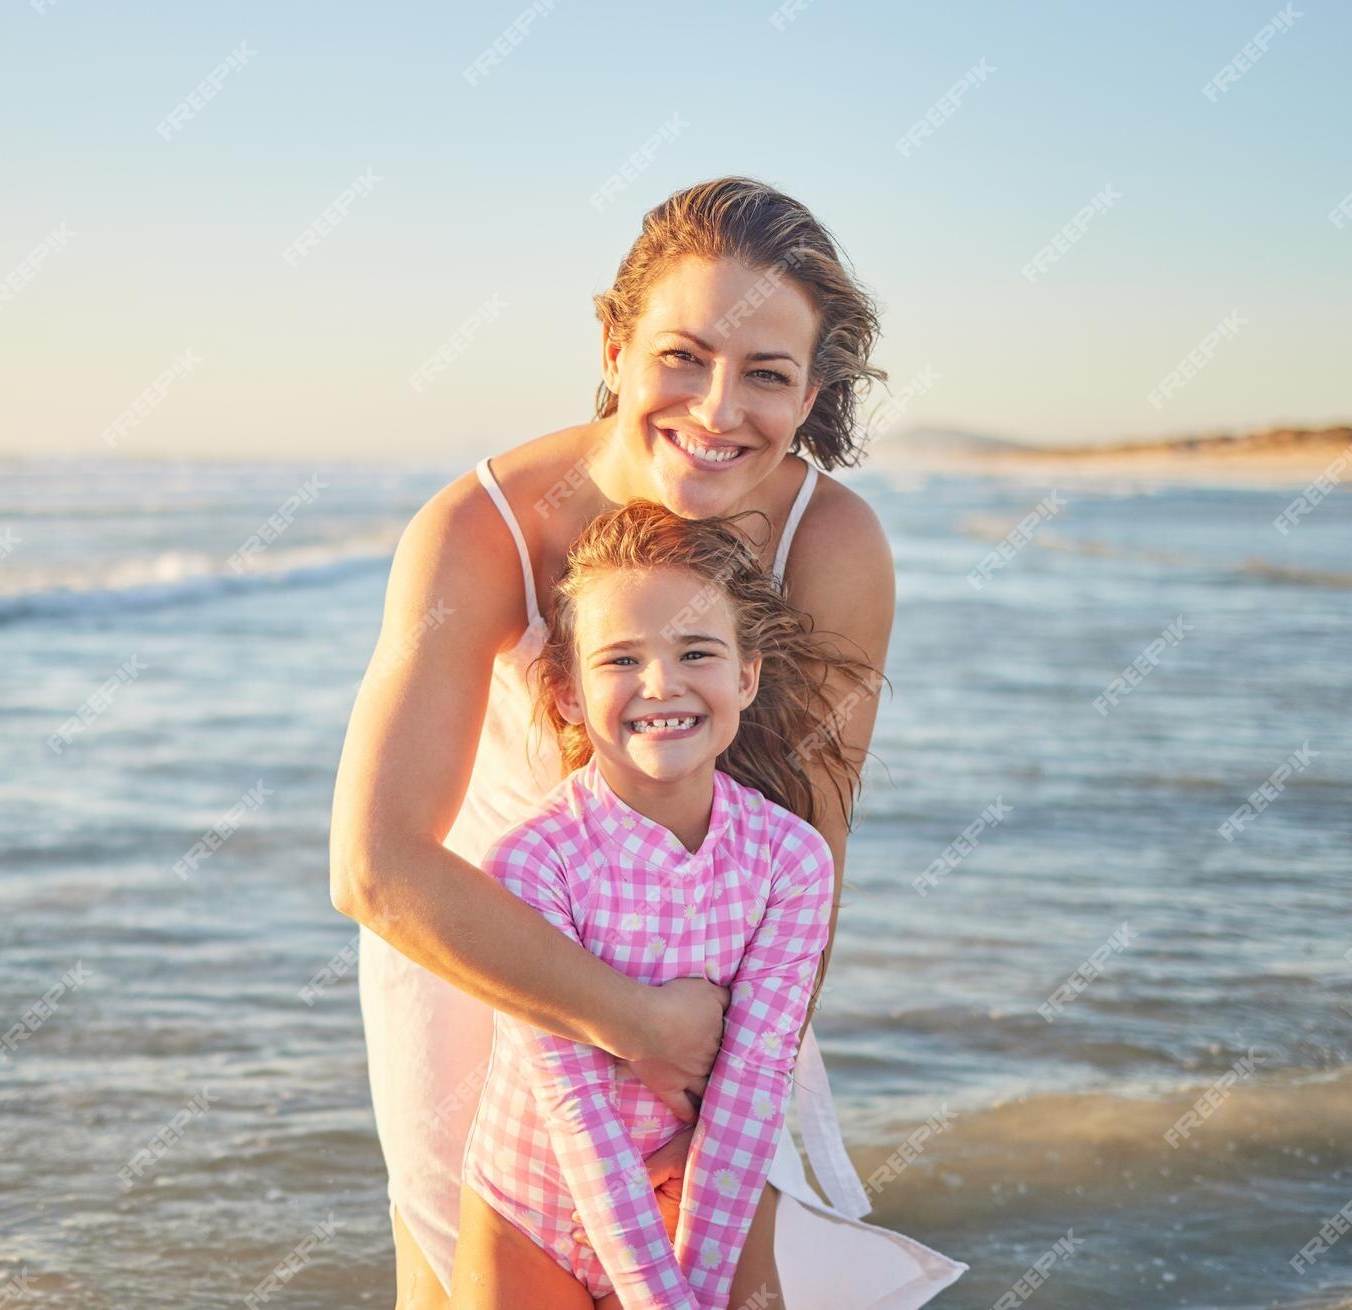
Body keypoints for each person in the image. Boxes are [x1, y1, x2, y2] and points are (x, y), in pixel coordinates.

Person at [330, 176, 968, 1308]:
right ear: (614, 343)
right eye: (682, 355)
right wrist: (628, 1022)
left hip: (712, 982)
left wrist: (716, 1075)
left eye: (765, 374)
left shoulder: (830, 547)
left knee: (722, 1278)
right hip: (488, 955)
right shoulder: (482, 530)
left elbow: (809, 861)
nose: (718, 410)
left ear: (810, 388)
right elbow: (376, 864)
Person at [450, 499, 861, 1309]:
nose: (661, 684)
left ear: (746, 677)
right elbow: (574, 1106)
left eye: (697, 651)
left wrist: (693, 1289)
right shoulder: (532, 863)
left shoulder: (791, 862)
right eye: (620, 660)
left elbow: (754, 1082)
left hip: (705, 1191)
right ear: (566, 691)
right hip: (534, 1203)